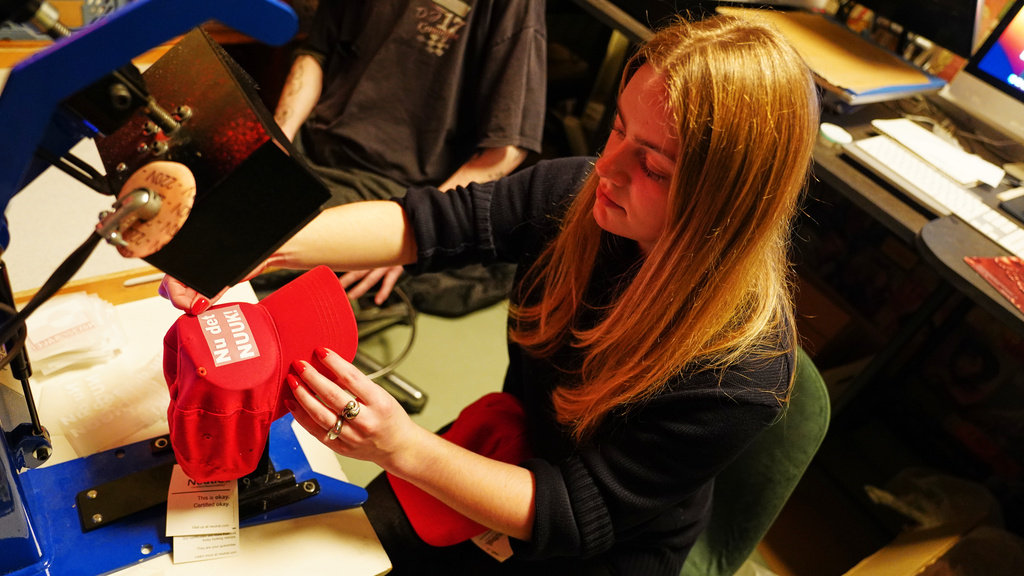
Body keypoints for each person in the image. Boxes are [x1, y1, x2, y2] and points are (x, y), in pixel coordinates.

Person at [162, 13, 819, 575]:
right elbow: (425, 226)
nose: (608, 169)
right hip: (508, 446)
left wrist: (401, 445)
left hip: (596, 547)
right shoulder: (582, 195)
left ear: (725, 204)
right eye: (618, 128)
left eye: (653, 166)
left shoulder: (742, 373)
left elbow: (571, 510)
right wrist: (242, 248)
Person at [271, 0, 547, 310]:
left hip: (394, 190)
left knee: (251, 248)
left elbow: (506, 150)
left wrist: (417, 234)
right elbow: (316, 52)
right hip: (310, 151)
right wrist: (278, 142)